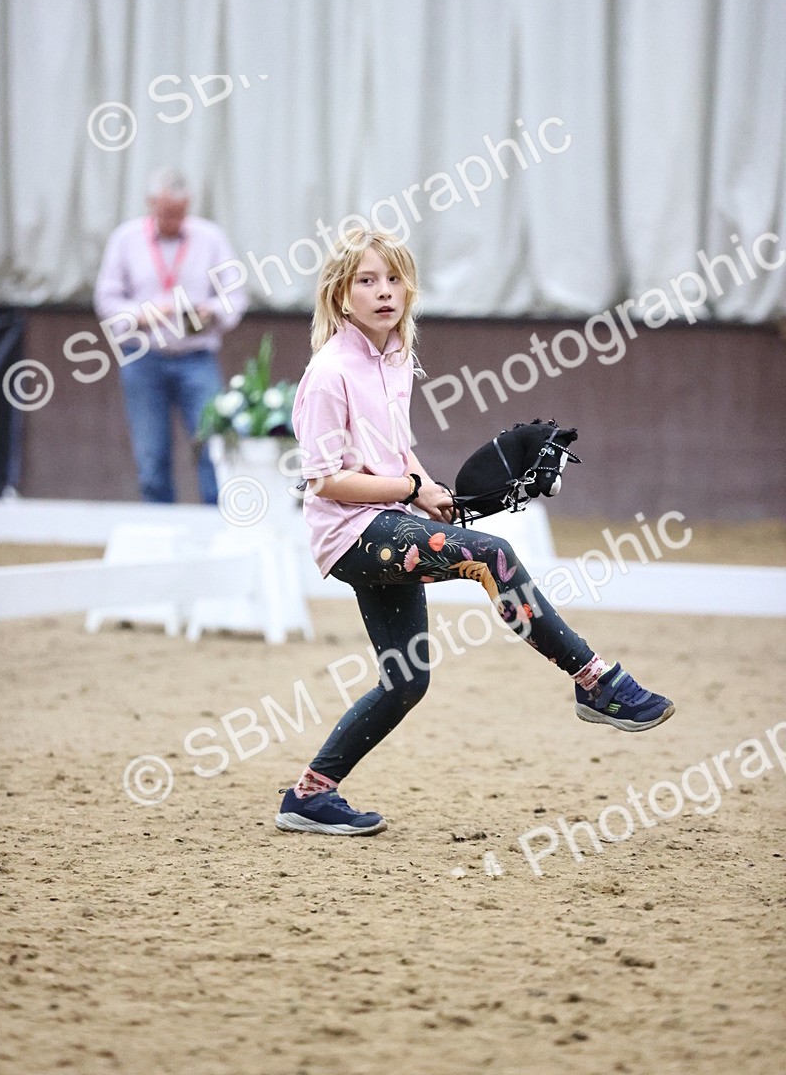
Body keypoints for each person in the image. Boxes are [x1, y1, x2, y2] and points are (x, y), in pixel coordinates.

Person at [275, 229, 675, 837]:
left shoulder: (396, 359)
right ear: (340, 294)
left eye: (394, 278)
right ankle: (596, 682)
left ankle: (309, 794)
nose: (385, 292)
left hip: (390, 524)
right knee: (495, 557)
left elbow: (396, 453)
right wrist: (410, 493)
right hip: (352, 537)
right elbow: (325, 481)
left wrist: (433, 493)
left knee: (408, 680)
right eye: (367, 280)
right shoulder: (328, 374)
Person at [94, 168, 245, 504]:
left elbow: (234, 297)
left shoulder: (211, 238)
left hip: (197, 358)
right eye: (166, 213)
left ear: (188, 205)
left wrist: (211, 313)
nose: (174, 220)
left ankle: (219, 526)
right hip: (142, 357)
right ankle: (160, 531)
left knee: (213, 449)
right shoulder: (125, 239)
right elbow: (106, 297)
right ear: (151, 204)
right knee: (151, 457)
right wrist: (141, 315)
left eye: (179, 213)